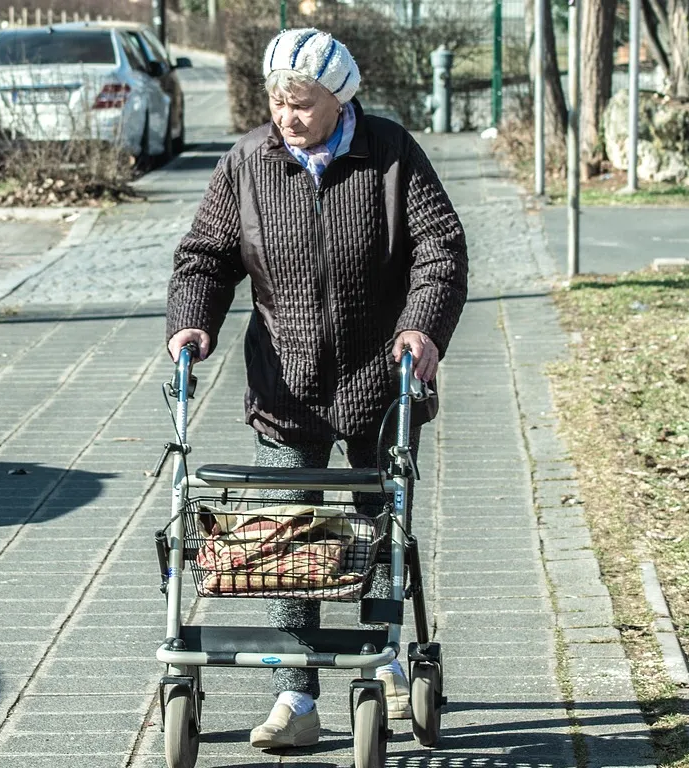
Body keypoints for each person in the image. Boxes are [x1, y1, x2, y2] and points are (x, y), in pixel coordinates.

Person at [165, 27, 468, 750]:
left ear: (341, 98)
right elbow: (205, 257)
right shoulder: (247, 163)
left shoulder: (391, 155)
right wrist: (191, 325)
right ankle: (296, 699)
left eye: (301, 102)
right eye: (277, 100)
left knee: (373, 529)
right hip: (286, 382)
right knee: (288, 538)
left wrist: (422, 330)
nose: (286, 115)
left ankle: (381, 660)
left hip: (380, 380)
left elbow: (441, 250)